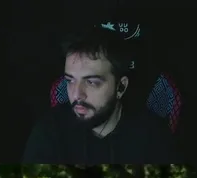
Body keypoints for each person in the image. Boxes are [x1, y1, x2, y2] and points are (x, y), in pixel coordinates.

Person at [22, 27, 178, 164]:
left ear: (121, 87)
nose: (76, 95)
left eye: (91, 82)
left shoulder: (154, 137)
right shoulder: (49, 132)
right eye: (70, 81)